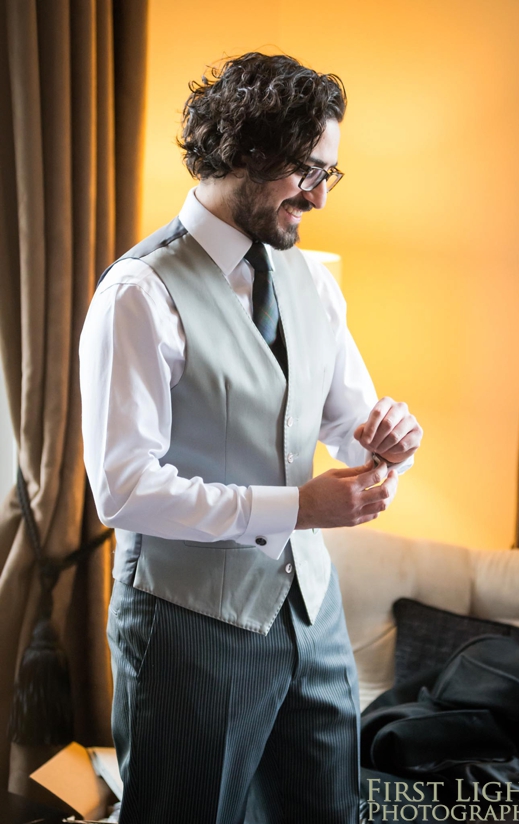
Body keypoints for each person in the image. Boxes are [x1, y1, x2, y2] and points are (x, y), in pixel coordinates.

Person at [80, 52, 422, 824]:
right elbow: (124, 489)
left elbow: (346, 422)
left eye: (332, 173)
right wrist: (297, 507)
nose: (321, 196)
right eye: (308, 170)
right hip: (187, 625)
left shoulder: (314, 281)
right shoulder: (139, 293)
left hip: (313, 614)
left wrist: (390, 438)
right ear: (241, 151)